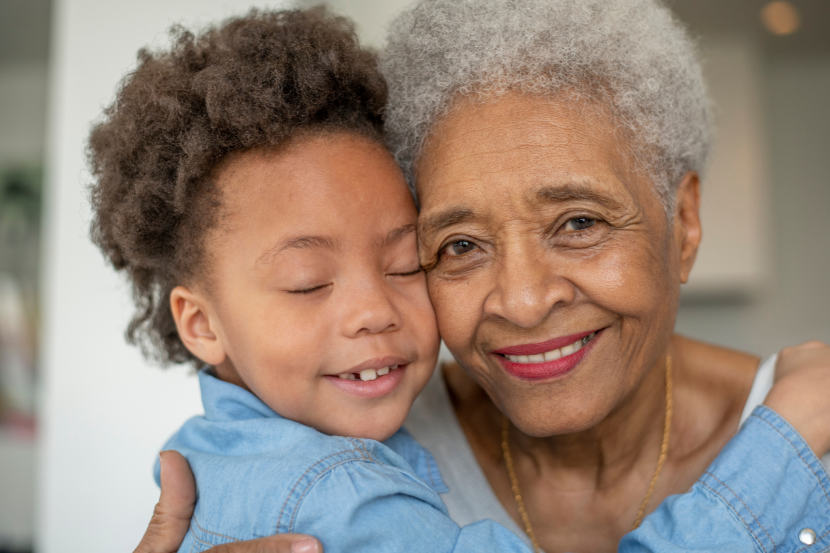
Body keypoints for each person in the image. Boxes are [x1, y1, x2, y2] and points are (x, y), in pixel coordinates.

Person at [121, 1, 830, 553]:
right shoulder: (343, 452)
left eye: (579, 222)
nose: (523, 301)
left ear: (685, 223)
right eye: (460, 244)